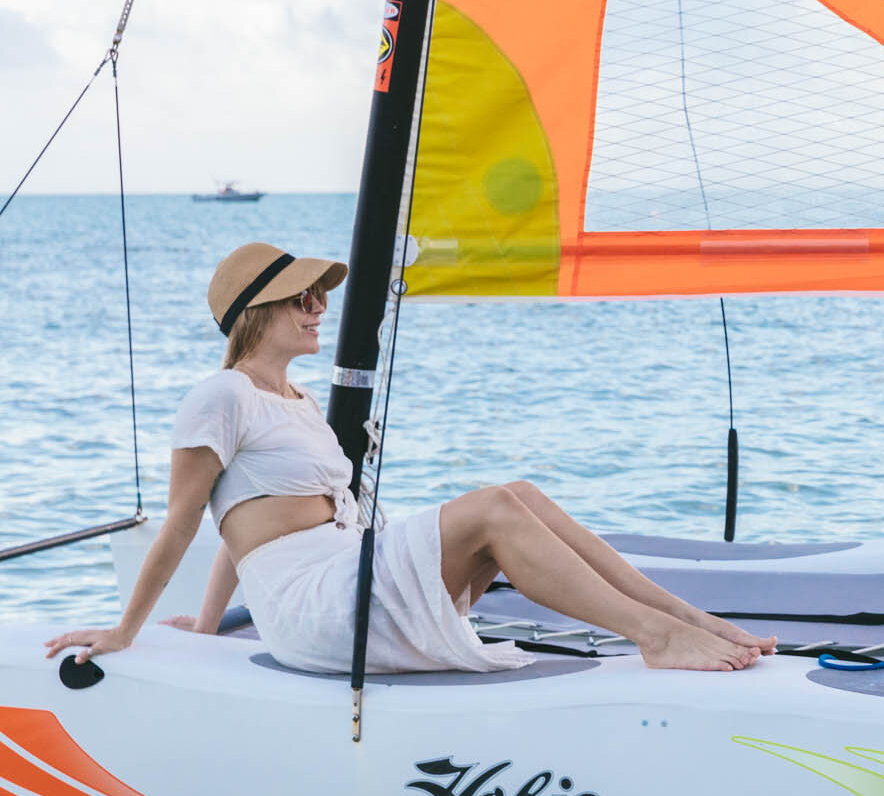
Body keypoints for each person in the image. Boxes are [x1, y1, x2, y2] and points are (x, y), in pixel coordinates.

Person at [46, 242, 774, 674]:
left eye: (318, 296)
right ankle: (655, 638)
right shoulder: (220, 395)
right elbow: (187, 521)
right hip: (316, 607)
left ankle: (690, 620)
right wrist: (125, 630)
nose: (317, 306)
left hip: (350, 577)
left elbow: (242, 524)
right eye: (301, 296)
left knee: (517, 491)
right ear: (253, 314)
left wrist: (207, 627)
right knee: (492, 506)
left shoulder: (295, 404)